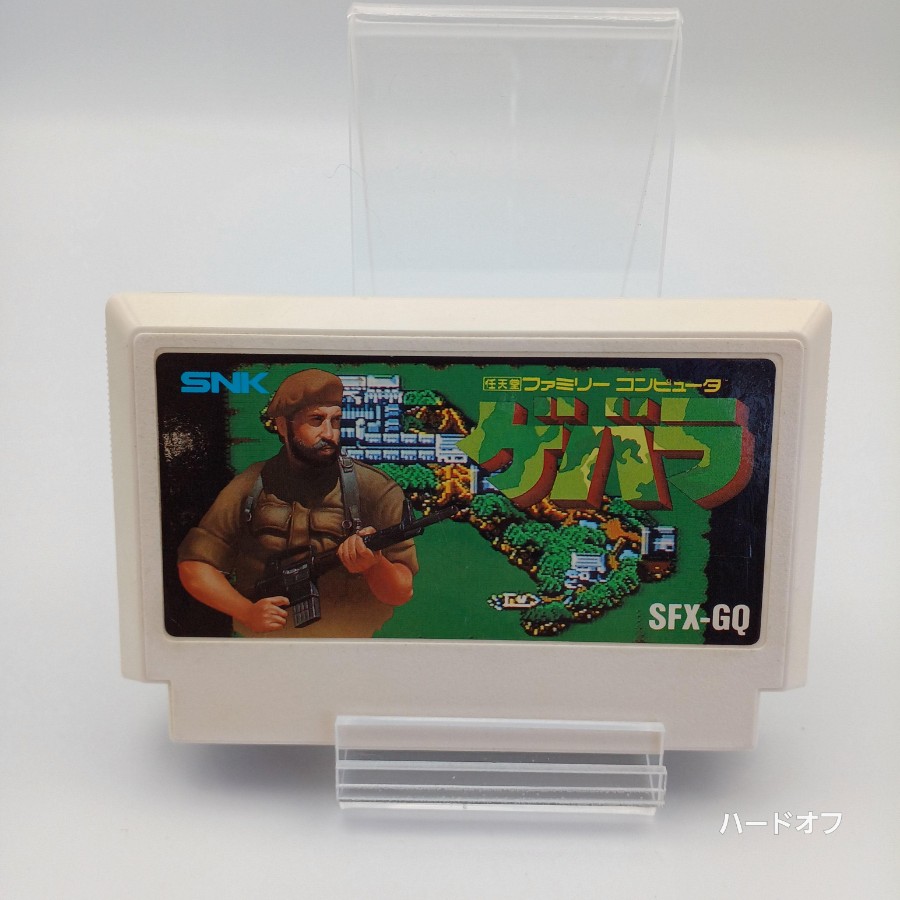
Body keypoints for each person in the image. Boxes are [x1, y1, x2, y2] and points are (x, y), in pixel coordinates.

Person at [177, 368, 417, 638]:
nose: (329, 433)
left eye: (336, 420)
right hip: (264, 644)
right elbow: (194, 566)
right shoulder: (252, 484)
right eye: (316, 420)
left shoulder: (374, 488)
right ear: (283, 426)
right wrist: (246, 611)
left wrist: (375, 565)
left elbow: (401, 591)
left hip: (348, 641)